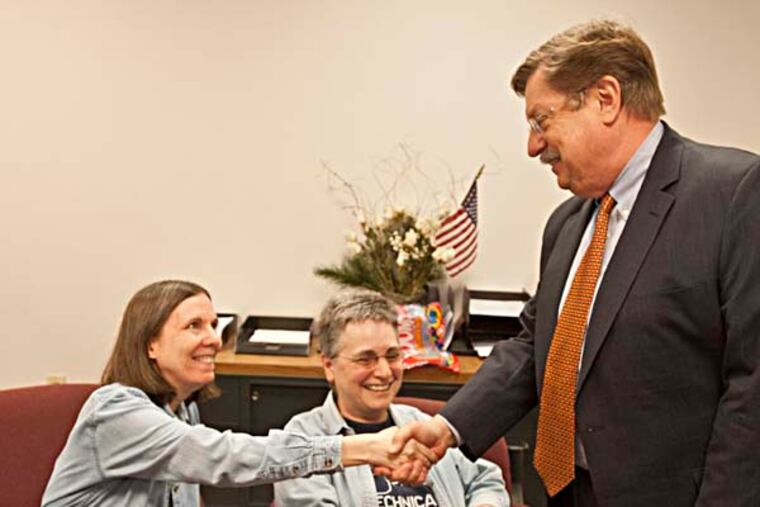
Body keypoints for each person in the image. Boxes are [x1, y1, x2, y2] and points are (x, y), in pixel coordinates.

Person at [391, 19, 760, 506]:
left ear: (605, 98)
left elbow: (751, 387)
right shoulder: (566, 224)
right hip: (562, 491)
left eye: (541, 121)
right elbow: (532, 347)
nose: (532, 146)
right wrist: (448, 426)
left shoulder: (732, 194)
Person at [42, 280, 435, 506]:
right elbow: (225, 457)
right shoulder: (115, 411)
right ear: (150, 345)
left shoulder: (183, 413)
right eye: (194, 326)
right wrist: (365, 449)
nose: (214, 339)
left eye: (214, 324)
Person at [273, 288, 510, 507]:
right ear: (328, 366)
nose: (385, 372)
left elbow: (486, 479)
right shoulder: (302, 440)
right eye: (365, 359)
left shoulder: (423, 425)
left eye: (393, 355)